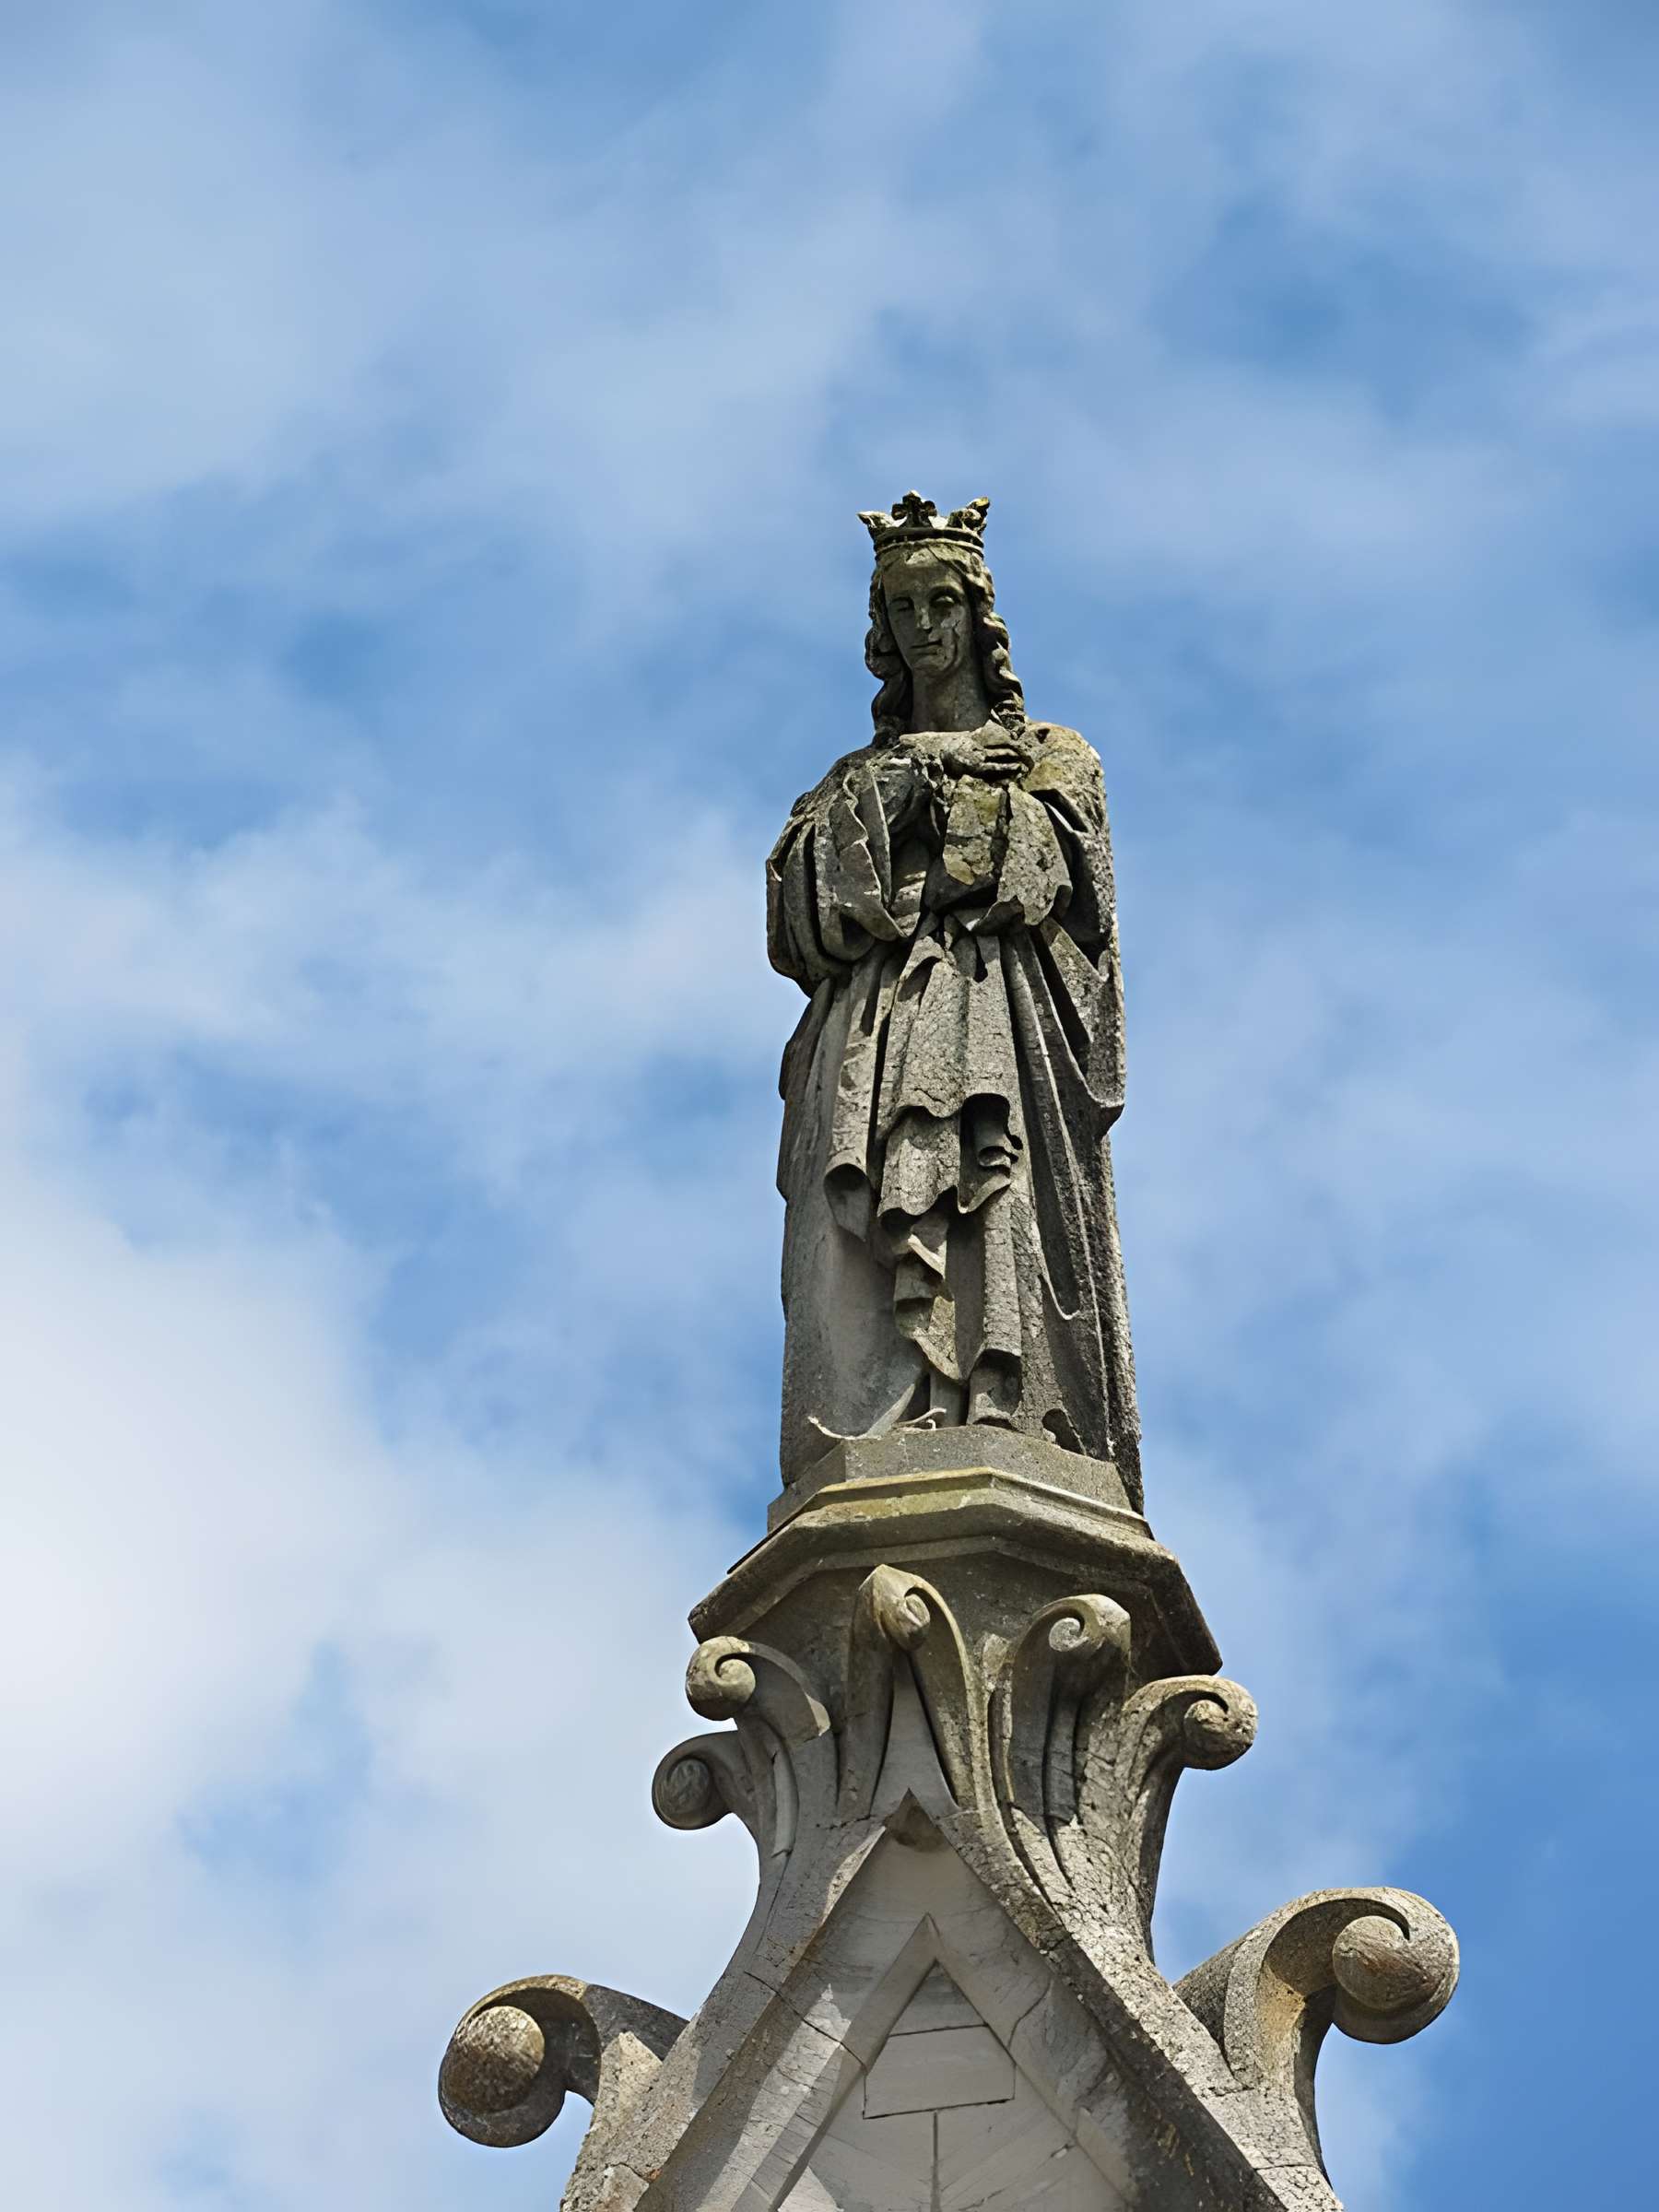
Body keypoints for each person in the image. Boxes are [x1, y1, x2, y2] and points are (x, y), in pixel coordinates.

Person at [768, 494, 1143, 1508]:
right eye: (902, 609)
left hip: (994, 1021)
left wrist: (962, 815)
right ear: (881, 634)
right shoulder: (853, 780)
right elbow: (798, 910)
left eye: (941, 603)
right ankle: (882, 1415)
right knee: (861, 1231)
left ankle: (997, 1397)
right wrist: (913, 786)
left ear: (978, 618)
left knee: (990, 1192)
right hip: (875, 1031)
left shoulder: (1054, 757)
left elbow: (1051, 877)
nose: (925, 628)